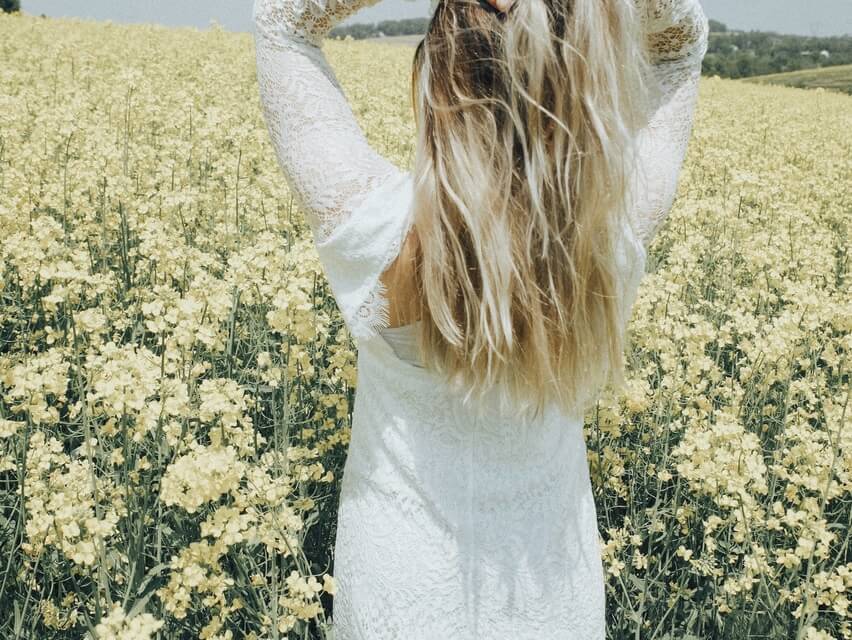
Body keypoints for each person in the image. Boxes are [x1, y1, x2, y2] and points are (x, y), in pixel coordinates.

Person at [252, 0, 708, 637]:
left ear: (434, 82)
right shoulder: (609, 240)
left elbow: (282, 21)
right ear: (583, 92)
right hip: (555, 602)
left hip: (398, 601)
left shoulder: (373, 230)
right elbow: (681, 47)